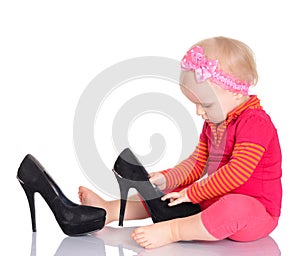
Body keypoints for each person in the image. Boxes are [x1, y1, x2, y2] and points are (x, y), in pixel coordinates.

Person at [78, 36, 282, 249]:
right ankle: (111, 210)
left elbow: (238, 171)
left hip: (256, 215)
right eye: (195, 104)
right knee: (176, 189)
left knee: (234, 206)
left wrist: (193, 193)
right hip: (216, 200)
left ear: (236, 93)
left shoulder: (255, 122)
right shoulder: (214, 123)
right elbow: (197, 163)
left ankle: (173, 230)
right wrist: (167, 179)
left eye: (206, 105)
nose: (199, 112)